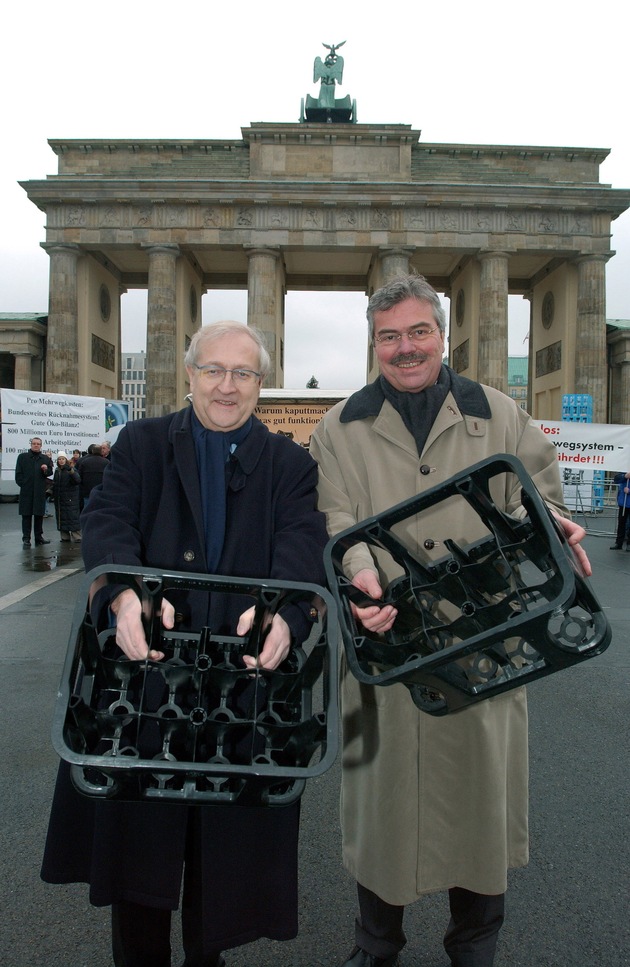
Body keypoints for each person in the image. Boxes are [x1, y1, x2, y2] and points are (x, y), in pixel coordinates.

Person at [309, 274, 591, 967]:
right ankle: (376, 945)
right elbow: (332, 517)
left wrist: (547, 524)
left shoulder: (497, 412)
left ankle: (475, 946)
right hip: (388, 647)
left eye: (418, 331)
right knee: (383, 815)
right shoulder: (338, 427)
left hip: (483, 640)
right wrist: (357, 574)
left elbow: (534, 493)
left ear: (441, 333)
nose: (405, 348)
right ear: (373, 343)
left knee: (478, 812)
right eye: (389, 336)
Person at [41, 320, 329, 967]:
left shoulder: (290, 463)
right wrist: (124, 592)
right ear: (190, 374)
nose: (227, 386)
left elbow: (302, 542)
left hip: (242, 695)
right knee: (137, 865)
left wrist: (286, 612)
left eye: (244, 373)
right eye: (213, 370)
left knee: (221, 869)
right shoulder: (141, 445)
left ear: (261, 383)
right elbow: (108, 519)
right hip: (143, 695)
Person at [14, 435, 53, 547]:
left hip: (39, 492)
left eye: (38, 444)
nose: (36, 445)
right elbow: (18, 474)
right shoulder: (23, 457)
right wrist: (24, 485)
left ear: (41, 446)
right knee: (26, 516)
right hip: (27, 491)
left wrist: (46, 470)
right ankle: (26, 538)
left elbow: (50, 472)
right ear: (31, 445)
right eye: (34, 443)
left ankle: (38, 537)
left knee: (39, 515)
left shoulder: (44, 458)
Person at [52, 450, 82, 542]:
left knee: (72, 517)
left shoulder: (70, 469)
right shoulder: (57, 471)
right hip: (60, 498)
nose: (61, 461)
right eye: (59, 459)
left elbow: (77, 480)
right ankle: (64, 536)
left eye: (63, 459)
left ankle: (77, 536)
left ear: (66, 459)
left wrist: (71, 471)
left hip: (70, 498)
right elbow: (55, 483)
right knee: (62, 517)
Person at [75, 442, 109, 509]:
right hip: (101, 491)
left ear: (92, 451)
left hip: (87, 492)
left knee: (87, 510)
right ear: (101, 451)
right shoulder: (106, 462)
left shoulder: (85, 462)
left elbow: (79, 477)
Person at [609, 470, 630, 549]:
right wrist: (624, 476)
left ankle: (629, 544)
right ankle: (619, 543)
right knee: (621, 523)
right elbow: (616, 479)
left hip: (626, 501)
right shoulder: (625, 470)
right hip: (623, 503)